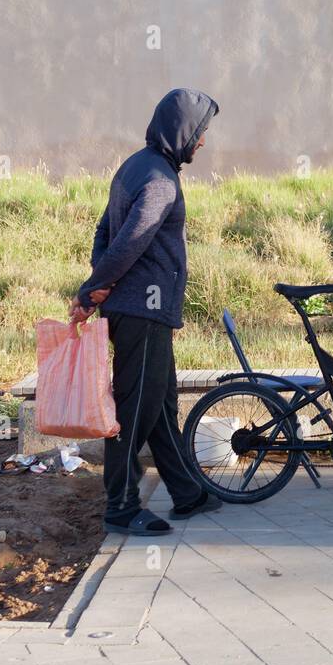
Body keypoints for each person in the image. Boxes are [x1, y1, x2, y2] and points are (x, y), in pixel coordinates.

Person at [70, 88, 221, 536]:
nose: (203, 142)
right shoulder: (160, 181)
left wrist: (102, 282)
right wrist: (93, 287)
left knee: (160, 403)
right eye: (200, 133)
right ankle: (120, 505)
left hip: (138, 309)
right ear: (183, 132)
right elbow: (131, 240)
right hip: (144, 311)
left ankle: (186, 492)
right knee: (136, 408)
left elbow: (104, 231)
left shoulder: (136, 166)